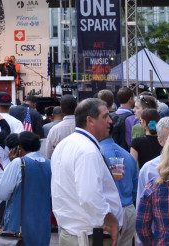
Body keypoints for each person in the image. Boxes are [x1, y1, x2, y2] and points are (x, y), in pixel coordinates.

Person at [51, 98, 122, 246]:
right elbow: (89, 195)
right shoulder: (87, 151)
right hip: (88, 237)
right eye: (105, 116)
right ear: (90, 121)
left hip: (74, 233)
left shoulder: (66, 144)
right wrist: (110, 220)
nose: (110, 121)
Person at [0, 131, 51, 246]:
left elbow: (2, 193)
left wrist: (9, 165)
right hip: (43, 221)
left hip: (20, 221)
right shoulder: (49, 164)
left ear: (19, 148)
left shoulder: (17, 163)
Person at [98, 98, 140, 246]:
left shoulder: (96, 153)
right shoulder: (127, 155)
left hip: (110, 213)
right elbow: (136, 186)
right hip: (129, 210)